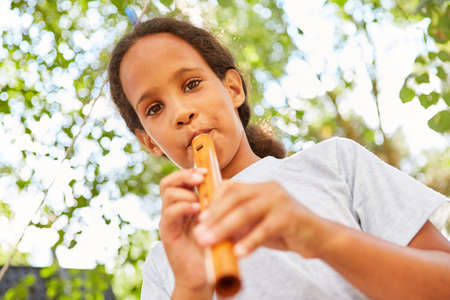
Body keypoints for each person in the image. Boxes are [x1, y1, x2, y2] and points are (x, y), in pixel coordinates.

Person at [108, 17, 450, 300]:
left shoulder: (334, 162)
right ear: (148, 142)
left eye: (192, 83)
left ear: (233, 89)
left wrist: (319, 236)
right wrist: (192, 288)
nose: (181, 113)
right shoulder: (164, 260)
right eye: (154, 108)